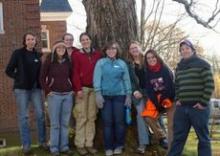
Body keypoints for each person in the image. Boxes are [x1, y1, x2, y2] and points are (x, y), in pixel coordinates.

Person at [168, 40, 214, 156]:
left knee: (203, 139)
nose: (184, 51)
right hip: (182, 108)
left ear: (192, 50)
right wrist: (177, 99)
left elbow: (209, 84)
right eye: (182, 49)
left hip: (198, 108)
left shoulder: (202, 64)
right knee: (178, 138)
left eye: (187, 48)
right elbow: (177, 85)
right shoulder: (179, 67)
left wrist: (203, 103)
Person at [5, 32, 47, 155]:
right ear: (25, 41)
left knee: (40, 115)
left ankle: (42, 141)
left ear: (35, 41)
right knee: (24, 117)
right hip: (22, 90)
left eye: (32, 39)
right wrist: (18, 78)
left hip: (36, 90)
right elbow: (8, 70)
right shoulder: (18, 53)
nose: (30, 41)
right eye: (28, 39)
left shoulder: (38, 55)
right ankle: (26, 145)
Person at [93, 41, 132, 156]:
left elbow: (126, 80)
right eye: (109, 49)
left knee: (119, 122)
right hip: (105, 97)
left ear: (117, 50)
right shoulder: (101, 63)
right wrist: (98, 94)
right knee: (107, 123)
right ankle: (108, 147)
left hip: (119, 96)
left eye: (113, 49)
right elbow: (97, 78)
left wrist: (128, 95)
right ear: (105, 51)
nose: (111, 51)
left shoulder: (122, 64)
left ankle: (119, 145)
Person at [40, 41, 73, 156]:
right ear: (54, 49)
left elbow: (72, 76)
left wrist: (72, 89)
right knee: (55, 124)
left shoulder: (68, 61)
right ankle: (54, 148)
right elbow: (41, 78)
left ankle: (64, 146)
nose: (61, 49)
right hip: (54, 95)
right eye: (58, 47)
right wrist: (48, 91)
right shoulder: (49, 61)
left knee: (65, 123)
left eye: (63, 47)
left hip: (68, 95)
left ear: (65, 50)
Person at [72, 32, 102, 155]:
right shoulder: (77, 55)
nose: (85, 41)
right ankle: (80, 144)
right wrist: (78, 89)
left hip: (94, 89)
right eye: (83, 40)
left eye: (87, 39)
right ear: (81, 42)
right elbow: (74, 73)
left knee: (91, 118)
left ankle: (89, 144)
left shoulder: (97, 54)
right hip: (82, 90)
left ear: (90, 40)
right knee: (81, 117)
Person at [141, 49, 175, 150]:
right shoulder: (147, 72)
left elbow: (170, 87)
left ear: (157, 57)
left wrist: (163, 102)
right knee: (148, 117)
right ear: (146, 60)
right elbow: (149, 90)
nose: (151, 59)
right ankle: (161, 137)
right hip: (156, 99)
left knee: (171, 124)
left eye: (153, 57)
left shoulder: (165, 68)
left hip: (169, 97)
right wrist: (157, 104)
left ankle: (173, 147)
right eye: (148, 58)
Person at [126, 41, 150, 154]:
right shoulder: (129, 64)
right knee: (141, 116)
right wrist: (135, 91)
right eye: (131, 49)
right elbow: (129, 80)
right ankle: (143, 143)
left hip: (150, 93)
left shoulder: (148, 60)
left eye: (135, 47)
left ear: (140, 48)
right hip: (137, 95)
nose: (134, 50)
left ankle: (162, 139)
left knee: (155, 116)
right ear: (129, 52)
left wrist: (144, 92)